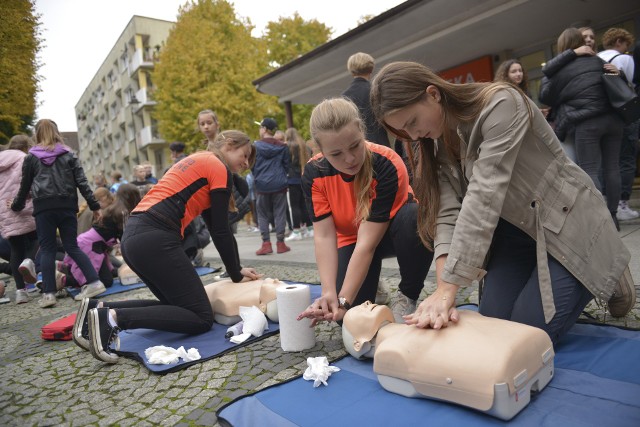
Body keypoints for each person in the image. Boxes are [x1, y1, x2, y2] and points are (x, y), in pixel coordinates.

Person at [369, 61, 635, 345]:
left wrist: (448, 290)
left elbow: (484, 196)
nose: (413, 135)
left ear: (433, 94)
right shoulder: (434, 143)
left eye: (412, 122)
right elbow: (447, 215)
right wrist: (443, 289)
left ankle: (604, 263)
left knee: (528, 333)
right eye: (403, 132)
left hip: (566, 225)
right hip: (513, 235)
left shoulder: (501, 103)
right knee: (494, 323)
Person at [75, 130, 261, 363]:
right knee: (201, 317)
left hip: (135, 236)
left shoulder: (198, 159)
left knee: (175, 308)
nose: (245, 163)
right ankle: (113, 318)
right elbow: (222, 230)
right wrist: (235, 273)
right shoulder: (218, 167)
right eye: (244, 155)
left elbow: (215, 226)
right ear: (229, 145)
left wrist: (236, 270)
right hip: (155, 237)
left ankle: (97, 309)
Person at [297, 98, 434, 325]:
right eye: (336, 154)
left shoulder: (387, 162)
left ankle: (408, 295)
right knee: (347, 319)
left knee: (415, 217)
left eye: (354, 146)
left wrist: (343, 301)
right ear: (320, 151)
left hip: (392, 234)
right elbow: (324, 235)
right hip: (352, 240)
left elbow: (367, 244)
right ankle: (373, 287)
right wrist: (330, 294)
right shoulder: (314, 173)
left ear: (362, 131)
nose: (349, 159)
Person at [11, 119, 104, 308]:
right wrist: (94, 206)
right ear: (56, 132)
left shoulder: (31, 158)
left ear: (36, 134)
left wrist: (16, 206)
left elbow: (25, 187)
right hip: (67, 206)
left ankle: (49, 294)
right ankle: (95, 282)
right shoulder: (69, 154)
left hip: (43, 208)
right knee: (72, 246)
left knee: (47, 250)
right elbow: (82, 183)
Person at [539, 28, 624, 230]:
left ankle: (601, 220)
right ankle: (613, 216)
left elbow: (545, 96)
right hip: (613, 119)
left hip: (586, 122)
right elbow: (616, 82)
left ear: (562, 47)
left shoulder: (558, 70)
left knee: (590, 168)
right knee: (612, 168)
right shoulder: (598, 61)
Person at [62, 183, 141, 299]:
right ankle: (61, 279)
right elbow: (126, 239)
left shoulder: (115, 209)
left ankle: (61, 271)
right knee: (89, 280)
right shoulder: (122, 212)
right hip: (91, 245)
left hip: (94, 244)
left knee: (107, 280)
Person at [597, 27, 639, 222]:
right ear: (620, 42)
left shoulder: (595, 58)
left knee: (606, 162)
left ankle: (606, 201)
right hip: (623, 117)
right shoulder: (625, 59)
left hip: (601, 117)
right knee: (626, 160)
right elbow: (629, 86)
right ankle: (622, 204)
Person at [0, 134, 39, 304]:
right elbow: (32, 184)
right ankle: (29, 261)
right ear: (25, 146)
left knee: (15, 249)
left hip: (4, 211)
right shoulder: (26, 159)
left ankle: (20, 292)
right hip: (24, 206)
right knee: (38, 237)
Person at [252, 118, 291, 255]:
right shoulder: (283, 146)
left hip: (262, 184)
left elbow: (252, 165)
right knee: (280, 212)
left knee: (262, 214)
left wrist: (258, 175)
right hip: (279, 183)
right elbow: (287, 165)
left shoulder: (255, 146)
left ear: (264, 129)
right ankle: (281, 243)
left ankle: (266, 243)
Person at [342, 52, 390, 147]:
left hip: (358, 146)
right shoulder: (377, 90)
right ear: (371, 69)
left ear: (351, 70)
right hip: (381, 144)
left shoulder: (344, 96)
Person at [284, 127, 313, 241]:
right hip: (304, 177)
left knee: (294, 206)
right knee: (304, 204)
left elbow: (286, 163)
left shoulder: (287, 147)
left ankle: (296, 230)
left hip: (292, 179)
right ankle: (310, 228)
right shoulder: (304, 146)